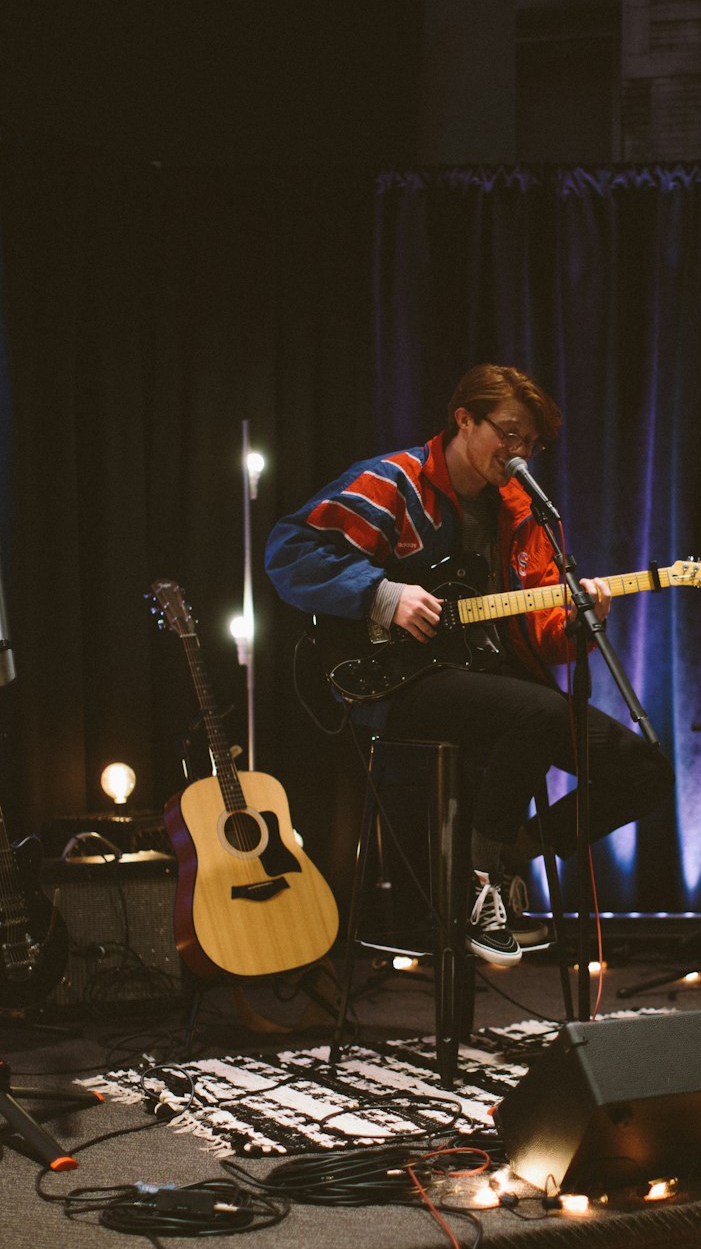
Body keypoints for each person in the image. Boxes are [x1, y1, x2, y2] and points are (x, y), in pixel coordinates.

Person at [265, 364, 673, 966]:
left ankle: (509, 855)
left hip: (483, 681)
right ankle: (479, 897)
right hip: (391, 679)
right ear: (464, 420)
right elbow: (290, 551)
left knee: (645, 772)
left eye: (530, 444)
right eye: (507, 434)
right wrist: (383, 594)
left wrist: (585, 622)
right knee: (533, 714)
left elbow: (539, 637)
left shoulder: (521, 514)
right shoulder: (396, 481)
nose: (519, 453)